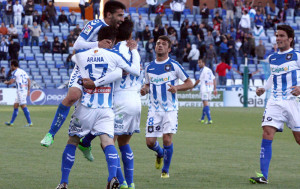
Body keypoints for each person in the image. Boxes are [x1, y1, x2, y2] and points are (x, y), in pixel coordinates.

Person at [55, 26, 139, 189]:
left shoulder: (82, 56)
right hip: (106, 108)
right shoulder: (114, 56)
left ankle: (64, 182)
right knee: (108, 142)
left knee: (72, 140)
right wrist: (133, 52)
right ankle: (113, 177)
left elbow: (74, 56)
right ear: (111, 41)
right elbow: (132, 71)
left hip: (86, 106)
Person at [40, 1, 126, 147]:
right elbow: (77, 46)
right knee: (73, 96)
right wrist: (97, 45)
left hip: (103, 74)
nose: (122, 19)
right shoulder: (94, 25)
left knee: (108, 109)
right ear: (109, 14)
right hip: (84, 68)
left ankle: (86, 143)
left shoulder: (118, 30)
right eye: (120, 15)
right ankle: (51, 134)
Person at [249, 25, 300, 184]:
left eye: (282, 36)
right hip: (275, 101)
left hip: (293, 102)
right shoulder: (272, 58)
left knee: (298, 138)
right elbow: (273, 76)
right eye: (277, 35)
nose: (278, 38)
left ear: (290, 39)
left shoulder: (297, 56)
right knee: (267, 131)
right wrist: (264, 88)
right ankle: (263, 175)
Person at [140, 35, 194, 178]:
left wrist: (177, 87)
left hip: (170, 109)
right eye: (158, 43)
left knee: (167, 139)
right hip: (154, 110)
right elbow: (146, 85)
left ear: (169, 49)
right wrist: (144, 90)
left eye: (163, 44)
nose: (160, 45)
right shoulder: (149, 67)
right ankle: (160, 153)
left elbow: (190, 83)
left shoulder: (174, 65)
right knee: (150, 142)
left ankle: (165, 170)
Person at [4, 60, 32, 127]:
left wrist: (6, 82)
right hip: (23, 90)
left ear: (13, 65)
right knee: (16, 105)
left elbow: (11, 82)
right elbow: (29, 80)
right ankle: (11, 122)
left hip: (21, 91)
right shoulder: (23, 71)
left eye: (11, 65)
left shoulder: (15, 72)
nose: (10, 67)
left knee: (23, 106)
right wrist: (28, 90)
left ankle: (30, 123)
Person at [193, 59, 217, 124]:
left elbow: (198, 80)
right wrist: (215, 89)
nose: (199, 64)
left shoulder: (203, 70)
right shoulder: (209, 70)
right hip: (210, 88)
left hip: (205, 88)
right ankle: (202, 119)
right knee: (204, 103)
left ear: (204, 63)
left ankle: (209, 120)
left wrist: (193, 86)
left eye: (200, 63)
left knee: (205, 103)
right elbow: (214, 79)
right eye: (198, 63)